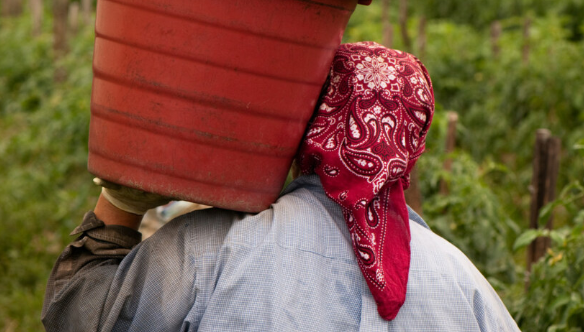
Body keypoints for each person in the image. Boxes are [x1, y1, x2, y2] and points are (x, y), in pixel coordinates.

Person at [42, 42, 521, 331]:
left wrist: (121, 203)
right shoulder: (463, 284)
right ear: (411, 147)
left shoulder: (209, 252)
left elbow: (79, 317)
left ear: (307, 124)